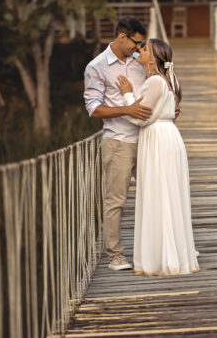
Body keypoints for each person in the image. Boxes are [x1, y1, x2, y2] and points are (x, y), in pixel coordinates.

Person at [116, 38, 199, 276]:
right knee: (167, 193)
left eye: (144, 49)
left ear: (153, 58)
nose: (139, 50)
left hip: (158, 139)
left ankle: (162, 259)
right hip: (167, 136)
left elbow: (140, 117)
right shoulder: (166, 80)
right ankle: (171, 254)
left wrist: (127, 96)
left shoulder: (154, 81)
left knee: (158, 193)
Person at [83, 16, 151, 271]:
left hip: (148, 139)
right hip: (118, 141)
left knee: (155, 195)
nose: (139, 48)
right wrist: (127, 109)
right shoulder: (97, 67)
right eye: (136, 43)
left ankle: (158, 248)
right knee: (116, 201)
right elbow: (94, 109)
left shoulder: (140, 61)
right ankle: (116, 256)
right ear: (122, 37)